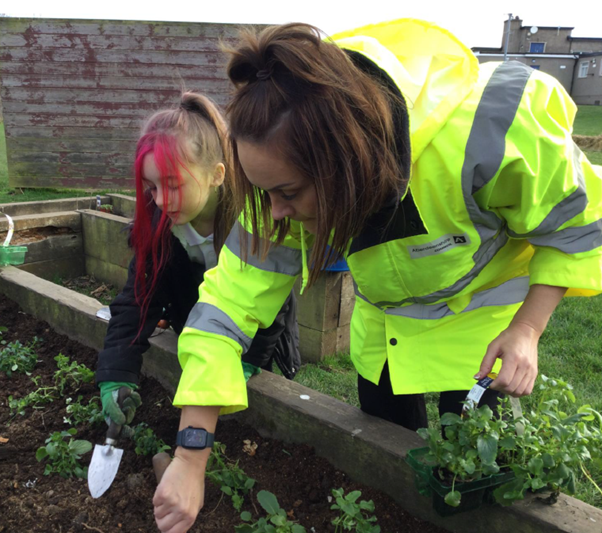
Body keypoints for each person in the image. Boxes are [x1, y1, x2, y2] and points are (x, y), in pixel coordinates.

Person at [153, 20, 602, 533]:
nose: (274, 213)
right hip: (385, 333)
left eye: (290, 193)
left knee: (488, 476)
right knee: (384, 469)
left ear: (349, 163)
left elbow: (575, 224)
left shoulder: (487, 130)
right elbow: (223, 312)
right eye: (265, 192)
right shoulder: (279, 186)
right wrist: (190, 458)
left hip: (485, 334)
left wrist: (527, 330)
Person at [95, 92, 301, 431]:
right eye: (151, 188)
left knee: (254, 423)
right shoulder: (161, 228)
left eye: (172, 185)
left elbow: (272, 305)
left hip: (257, 342)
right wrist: (117, 372)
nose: (160, 200)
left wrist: (248, 362)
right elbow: (137, 300)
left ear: (216, 175)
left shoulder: (254, 223)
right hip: (197, 339)